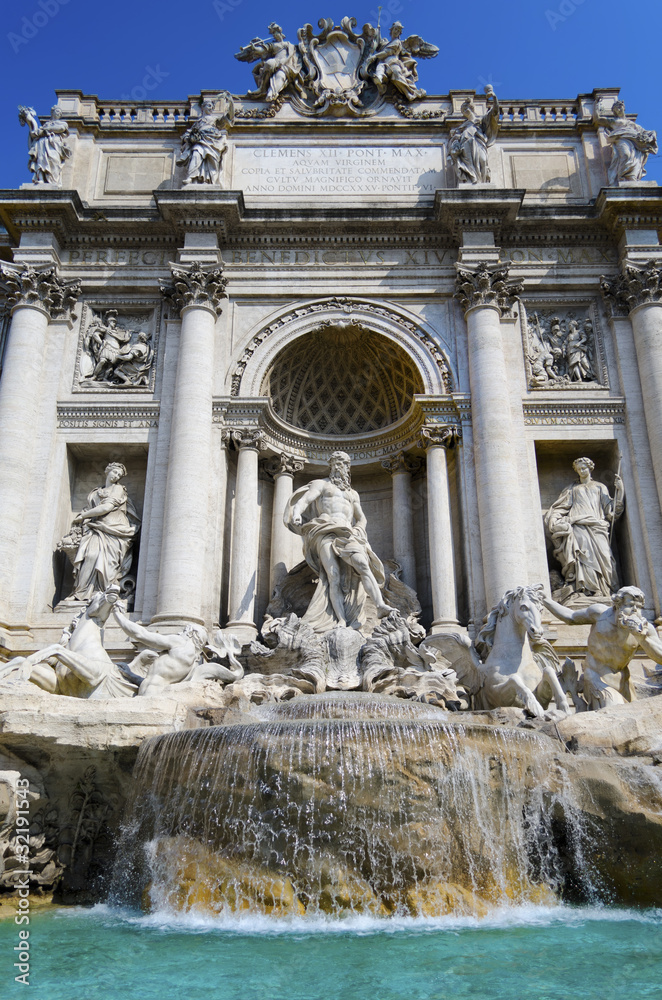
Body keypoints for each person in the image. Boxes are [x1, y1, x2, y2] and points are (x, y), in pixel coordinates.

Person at [285, 451, 395, 632]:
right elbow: (304, 501)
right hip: (325, 531)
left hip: (348, 534)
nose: (339, 467)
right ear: (331, 466)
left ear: (348, 468)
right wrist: (296, 513)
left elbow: (362, 518)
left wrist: (359, 530)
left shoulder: (352, 494)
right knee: (333, 576)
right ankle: (341, 620)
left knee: (362, 564)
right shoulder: (321, 485)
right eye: (336, 463)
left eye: (343, 464)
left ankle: (380, 605)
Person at [543, 587, 662, 709]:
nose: (635, 611)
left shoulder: (645, 629)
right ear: (617, 605)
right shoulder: (600, 614)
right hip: (596, 676)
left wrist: (642, 638)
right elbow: (571, 617)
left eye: (639, 607)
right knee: (615, 710)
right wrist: (545, 600)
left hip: (623, 681)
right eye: (630, 605)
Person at [544, 457, 623, 597]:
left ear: (590, 468)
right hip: (578, 526)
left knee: (605, 557)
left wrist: (620, 490)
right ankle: (588, 590)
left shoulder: (600, 487)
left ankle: (605, 589)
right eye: (579, 469)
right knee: (583, 557)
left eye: (584, 468)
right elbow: (561, 507)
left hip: (597, 526)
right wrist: (554, 519)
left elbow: (610, 510)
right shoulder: (572, 489)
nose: (581, 471)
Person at [71, 463, 140, 601]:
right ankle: (83, 592)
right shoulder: (95, 492)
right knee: (90, 556)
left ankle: (103, 593)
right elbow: (93, 509)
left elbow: (107, 507)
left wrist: (84, 516)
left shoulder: (118, 489)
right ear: (107, 471)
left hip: (115, 530)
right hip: (96, 527)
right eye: (115, 472)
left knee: (106, 562)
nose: (116, 476)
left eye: (119, 475)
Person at [594, 99, 658, 185]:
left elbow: (643, 132)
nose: (619, 109)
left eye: (620, 107)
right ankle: (623, 177)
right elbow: (598, 119)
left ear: (624, 108)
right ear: (614, 111)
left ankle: (632, 177)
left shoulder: (631, 123)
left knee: (635, 159)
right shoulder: (613, 121)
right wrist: (596, 105)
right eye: (616, 108)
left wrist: (652, 134)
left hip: (634, 140)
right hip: (621, 138)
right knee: (626, 154)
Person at [178, 95, 232, 186]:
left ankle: (211, 180)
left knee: (213, 162)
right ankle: (191, 177)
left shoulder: (215, 119)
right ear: (203, 107)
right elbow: (189, 133)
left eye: (211, 106)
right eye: (208, 105)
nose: (210, 108)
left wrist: (231, 104)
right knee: (196, 153)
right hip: (200, 141)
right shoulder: (198, 122)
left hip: (212, 142)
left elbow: (228, 118)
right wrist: (188, 138)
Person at [449, 87, 500, 184]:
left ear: (471, 109)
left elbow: (495, 112)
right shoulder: (461, 128)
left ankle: (483, 181)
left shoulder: (480, 121)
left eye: (465, 109)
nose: (464, 111)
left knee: (483, 160)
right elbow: (454, 139)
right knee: (470, 167)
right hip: (466, 145)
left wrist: (494, 97)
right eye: (463, 109)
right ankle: (473, 181)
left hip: (478, 143)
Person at [18, 105, 71, 185]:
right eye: (57, 111)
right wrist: (30, 121)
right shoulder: (45, 125)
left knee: (54, 161)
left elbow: (61, 128)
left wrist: (47, 129)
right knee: (41, 160)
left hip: (54, 144)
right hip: (42, 143)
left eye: (60, 113)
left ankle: (53, 181)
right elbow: (35, 133)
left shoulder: (62, 123)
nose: (58, 113)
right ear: (52, 112)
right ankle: (41, 179)